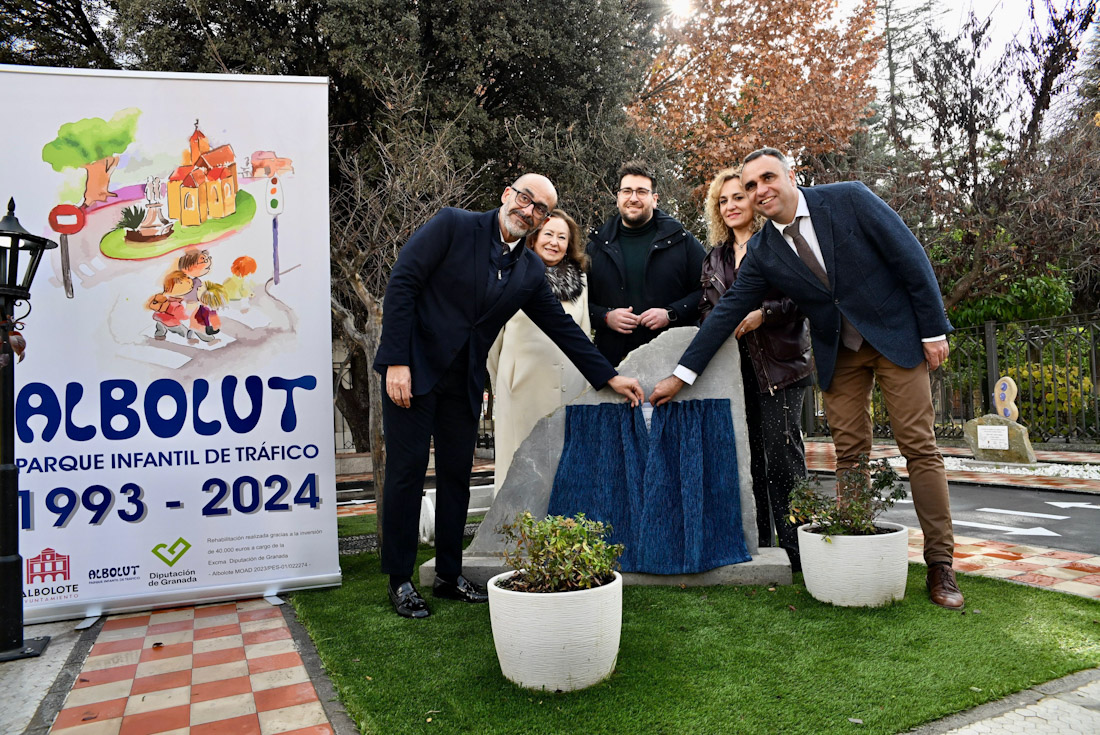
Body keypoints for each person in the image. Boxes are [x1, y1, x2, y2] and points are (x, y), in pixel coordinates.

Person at [650, 148, 963, 609]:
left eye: (767, 178)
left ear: (791, 175)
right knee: (850, 452)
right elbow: (726, 314)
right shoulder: (762, 250)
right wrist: (681, 375)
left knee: (918, 445)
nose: (760, 191)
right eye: (751, 186)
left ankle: (941, 564)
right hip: (840, 354)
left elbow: (909, 256)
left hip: (894, 338)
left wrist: (933, 328)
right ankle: (856, 538)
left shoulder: (849, 199)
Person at [373, 174, 644, 619]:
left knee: (458, 476)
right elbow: (403, 281)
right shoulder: (453, 225)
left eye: (540, 209)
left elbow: (563, 329)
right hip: (414, 373)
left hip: (464, 385)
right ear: (507, 196)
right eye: (525, 199)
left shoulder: (529, 270)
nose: (529, 211)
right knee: (407, 473)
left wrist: (609, 376)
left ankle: (447, 574)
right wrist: (396, 360)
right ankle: (400, 579)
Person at [699, 167, 813, 571]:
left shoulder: (780, 245)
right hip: (735, 372)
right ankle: (761, 546)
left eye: (738, 197)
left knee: (782, 457)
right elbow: (709, 312)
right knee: (748, 461)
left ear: (754, 201)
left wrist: (764, 313)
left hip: (782, 368)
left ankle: (800, 552)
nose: (730, 206)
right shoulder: (713, 258)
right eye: (722, 201)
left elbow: (804, 299)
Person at [488, 209, 591, 498]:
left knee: (563, 472)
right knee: (517, 469)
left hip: (568, 391)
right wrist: (506, 380)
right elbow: (492, 342)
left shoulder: (580, 281)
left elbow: (583, 334)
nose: (554, 242)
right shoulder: (509, 273)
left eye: (562, 237)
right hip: (521, 391)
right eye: (548, 234)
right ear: (534, 238)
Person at [587, 161, 706, 366]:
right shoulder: (595, 247)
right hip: (612, 365)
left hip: (673, 362)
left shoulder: (683, 240)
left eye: (642, 191)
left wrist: (671, 313)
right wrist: (605, 316)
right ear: (618, 198)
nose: (633, 198)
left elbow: (707, 291)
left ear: (654, 199)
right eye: (627, 191)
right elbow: (579, 303)